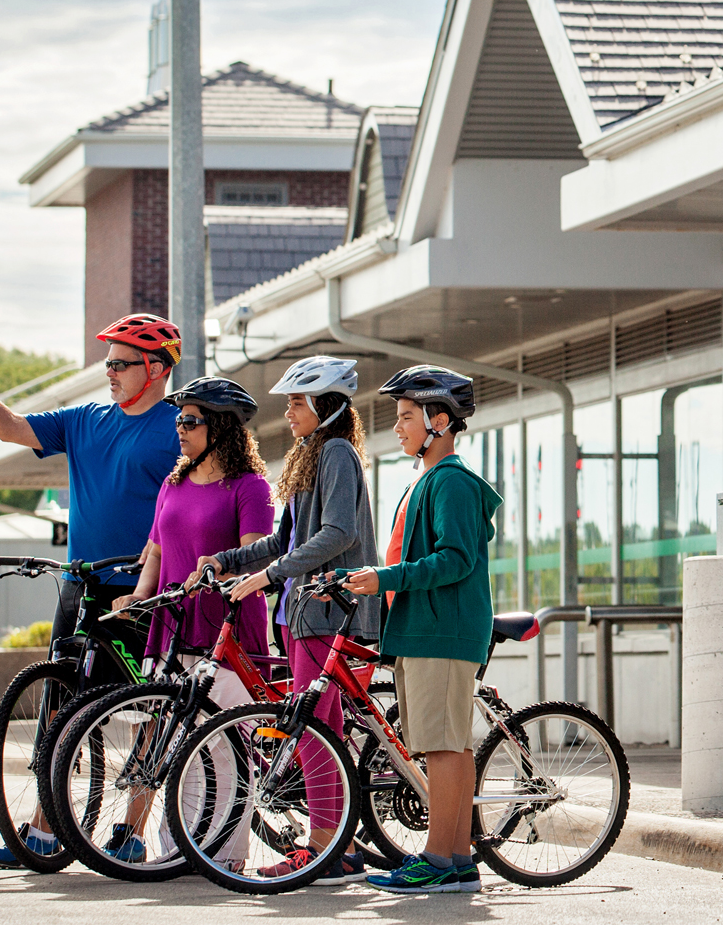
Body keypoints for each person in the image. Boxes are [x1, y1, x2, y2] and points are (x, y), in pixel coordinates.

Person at [0, 313, 186, 870]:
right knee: (59, 711)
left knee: (146, 713)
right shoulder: (85, 420)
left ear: (157, 369)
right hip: (80, 585)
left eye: (121, 363)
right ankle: (44, 833)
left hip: (141, 591)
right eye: (108, 362)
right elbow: (11, 428)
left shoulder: (179, 429)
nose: (109, 372)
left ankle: (131, 830)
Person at [203, 356, 380, 885]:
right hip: (303, 613)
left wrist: (269, 577)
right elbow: (287, 539)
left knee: (314, 732)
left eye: (298, 401)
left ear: (326, 406)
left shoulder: (339, 454)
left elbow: (339, 533)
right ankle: (331, 845)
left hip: (331, 609)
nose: (289, 408)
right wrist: (231, 561)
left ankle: (329, 850)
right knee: (312, 733)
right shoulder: (308, 455)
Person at [341, 364, 500, 895]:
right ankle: (455, 860)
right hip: (426, 631)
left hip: (443, 633)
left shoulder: (451, 481)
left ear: (439, 420)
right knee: (447, 745)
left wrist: (384, 577)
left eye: (407, 416)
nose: (398, 427)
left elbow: (454, 560)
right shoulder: (429, 479)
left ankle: (437, 859)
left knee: (441, 746)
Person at [102, 376, 274, 864]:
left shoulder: (250, 487)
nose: (180, 427)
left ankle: (225, 855)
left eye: (190, 420)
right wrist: (138, 597)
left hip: (226, 629)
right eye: (179, 418)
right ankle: (163, 845)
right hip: (171, 628)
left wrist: (216, 569)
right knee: (168, 741)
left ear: (220, 427)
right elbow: (155, 548)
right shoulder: (173, 482)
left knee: (224, 746)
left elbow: (254, 552)